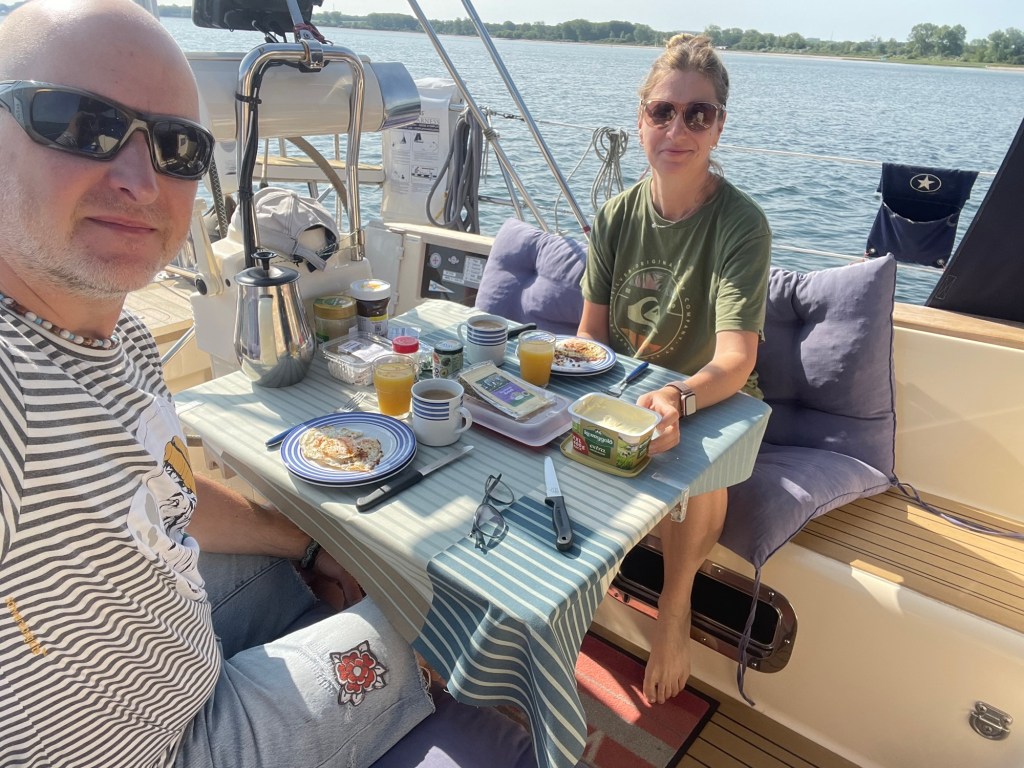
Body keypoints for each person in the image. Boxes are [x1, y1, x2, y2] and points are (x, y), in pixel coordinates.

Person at [0, 2, 535, 767]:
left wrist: (309, 544)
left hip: (167, 633)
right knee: (441, 619)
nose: (140, 181)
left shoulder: (120, 338)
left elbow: (166, 493)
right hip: (179, 746)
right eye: (82, 126)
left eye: (178, 147)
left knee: (327, 565)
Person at [577, 34, 771, 705]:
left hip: (709, 394)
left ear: (719, 127)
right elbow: (591, 335)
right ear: (641, 121)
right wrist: (587, 392)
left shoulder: (741, 224)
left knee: (700, 460)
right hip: (628, 385)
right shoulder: (615, 216)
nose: (677, 128)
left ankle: (674, 607)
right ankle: (575, 583)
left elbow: (736, 359)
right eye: (663, 111)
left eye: (698, 114)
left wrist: (676, 399)